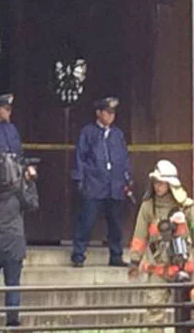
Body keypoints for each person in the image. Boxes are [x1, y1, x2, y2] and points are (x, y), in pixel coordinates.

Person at [128, 160, 194, 332]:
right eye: (156, 182)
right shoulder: (148, 207)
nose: (158, 186)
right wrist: (134, 261)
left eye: (161, 182)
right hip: (158, 267)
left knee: (191, 312)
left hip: (184, 268)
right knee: (154, 310)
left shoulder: (187, 207)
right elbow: (140, 236)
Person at [0, 148, 39, 328]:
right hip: (12, 243)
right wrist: (30, 182)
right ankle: (12, 321)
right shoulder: (16, 190)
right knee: (12, 285)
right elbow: (33, 204)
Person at [70, 96, 132, 268]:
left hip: (115, 184)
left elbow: (124, 158)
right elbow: (80, 157)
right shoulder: (88, 132)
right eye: (107, 112)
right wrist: (80, 179)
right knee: (86, 220)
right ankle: (78, 254)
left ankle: (116, 255)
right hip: (94, 183)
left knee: (115, 222)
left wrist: (127, 178)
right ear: (98, 113)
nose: (110, 116)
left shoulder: (117, 134)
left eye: (113, 113)